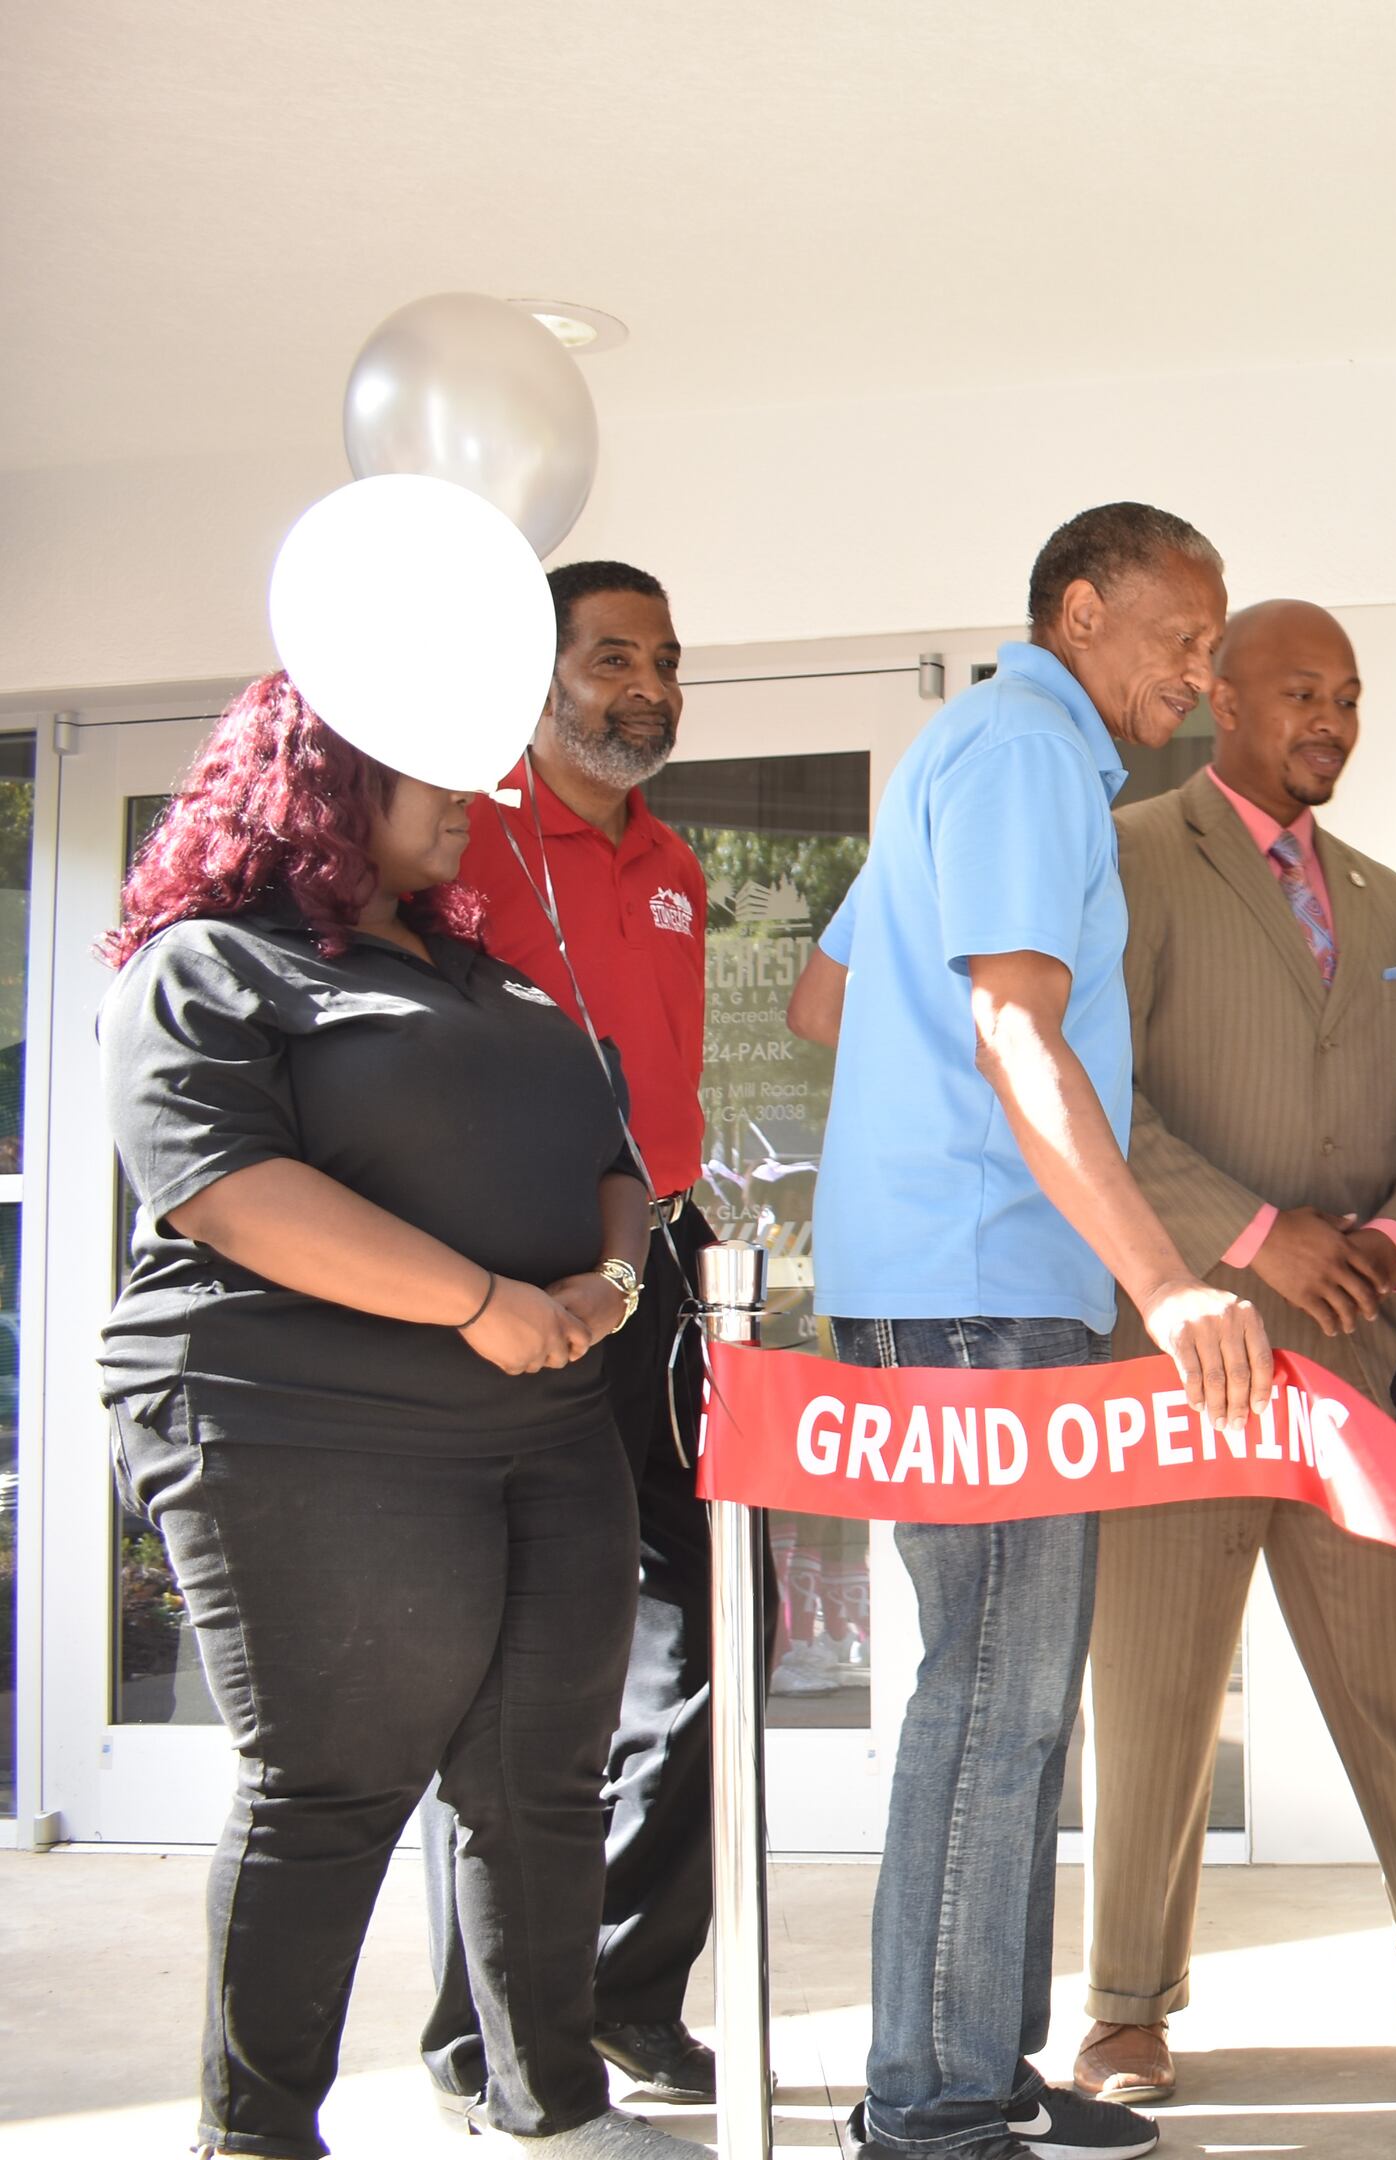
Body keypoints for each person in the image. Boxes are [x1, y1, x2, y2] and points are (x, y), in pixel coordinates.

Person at [98, 674, 699, 2160]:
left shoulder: (486, 973)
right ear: (320, 782)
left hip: (544, 1427)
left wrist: (615, 1285)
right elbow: (228, 1189)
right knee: (333, 1784)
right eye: (429, 769)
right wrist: (476, 1300)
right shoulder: (207, 969)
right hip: (299, 1426)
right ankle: (255, 2135)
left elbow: (618, 1149)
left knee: (541, 1785)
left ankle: (552, 2109)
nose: (474, 791)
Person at [814, 502, 1276, 2160]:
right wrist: (1164, 1278)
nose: (1205, 681)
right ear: (1081, 613)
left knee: (1008, 1687)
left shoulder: (989, 752)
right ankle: (934, 2105)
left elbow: (826, 996)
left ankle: (976, 2069)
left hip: (956, 1279)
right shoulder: (1019, 747)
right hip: (979, 1294)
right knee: (993, 1692)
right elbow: (1016, 1031)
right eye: (1183, 639)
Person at [1066, 600, 1396, 2100]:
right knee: (1158, 1683)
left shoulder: (1392, 907)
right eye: (1299, 692)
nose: (1329, 717)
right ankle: (1127, 1998)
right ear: (1222, 701)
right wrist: (1263, 1239)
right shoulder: (1129, 861)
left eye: (1350, 695)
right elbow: (1093, 1108)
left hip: (1359, 1352)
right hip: (1183, 1344)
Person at [420, 558, 730, 2115]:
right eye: (614, 656)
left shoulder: (673, 856)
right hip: (507, 1271)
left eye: (665, 661)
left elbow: (661, 1086)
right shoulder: (457, 831)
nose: (648, 686)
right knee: (503, 1664)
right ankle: (485, 2015)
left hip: (659, 1268)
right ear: (534, 671)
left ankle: (626, 1990)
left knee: (698, 1634)